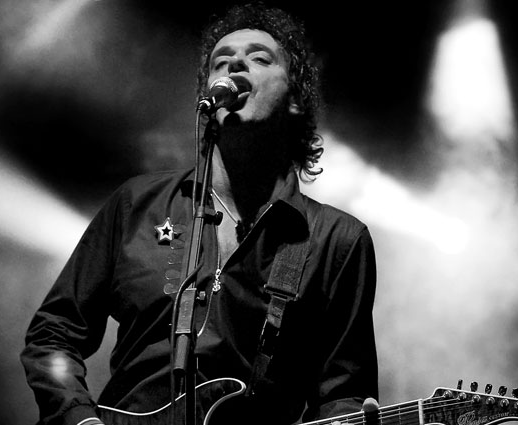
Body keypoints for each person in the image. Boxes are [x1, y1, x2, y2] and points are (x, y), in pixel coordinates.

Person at [20, 2, 379, 425]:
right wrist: (78, 418)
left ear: (296, 99)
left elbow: (342, 395)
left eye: (260, 58)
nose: (235, 65)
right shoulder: (137, 204)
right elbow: (54, 333)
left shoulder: (336, 240)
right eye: (220, 62)